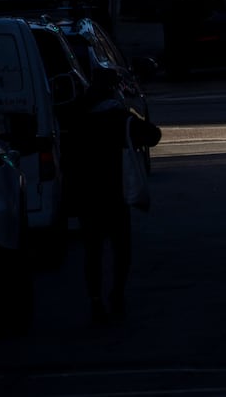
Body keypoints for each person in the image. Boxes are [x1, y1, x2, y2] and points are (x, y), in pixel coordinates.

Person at [62, 93, 162, 325]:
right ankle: (117, 293)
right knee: (121, 250)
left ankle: (95, 299)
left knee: (93, 252)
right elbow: (153, 135)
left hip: (89, 198)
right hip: (116, 196)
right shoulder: (120, 119)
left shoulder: (78, 122)